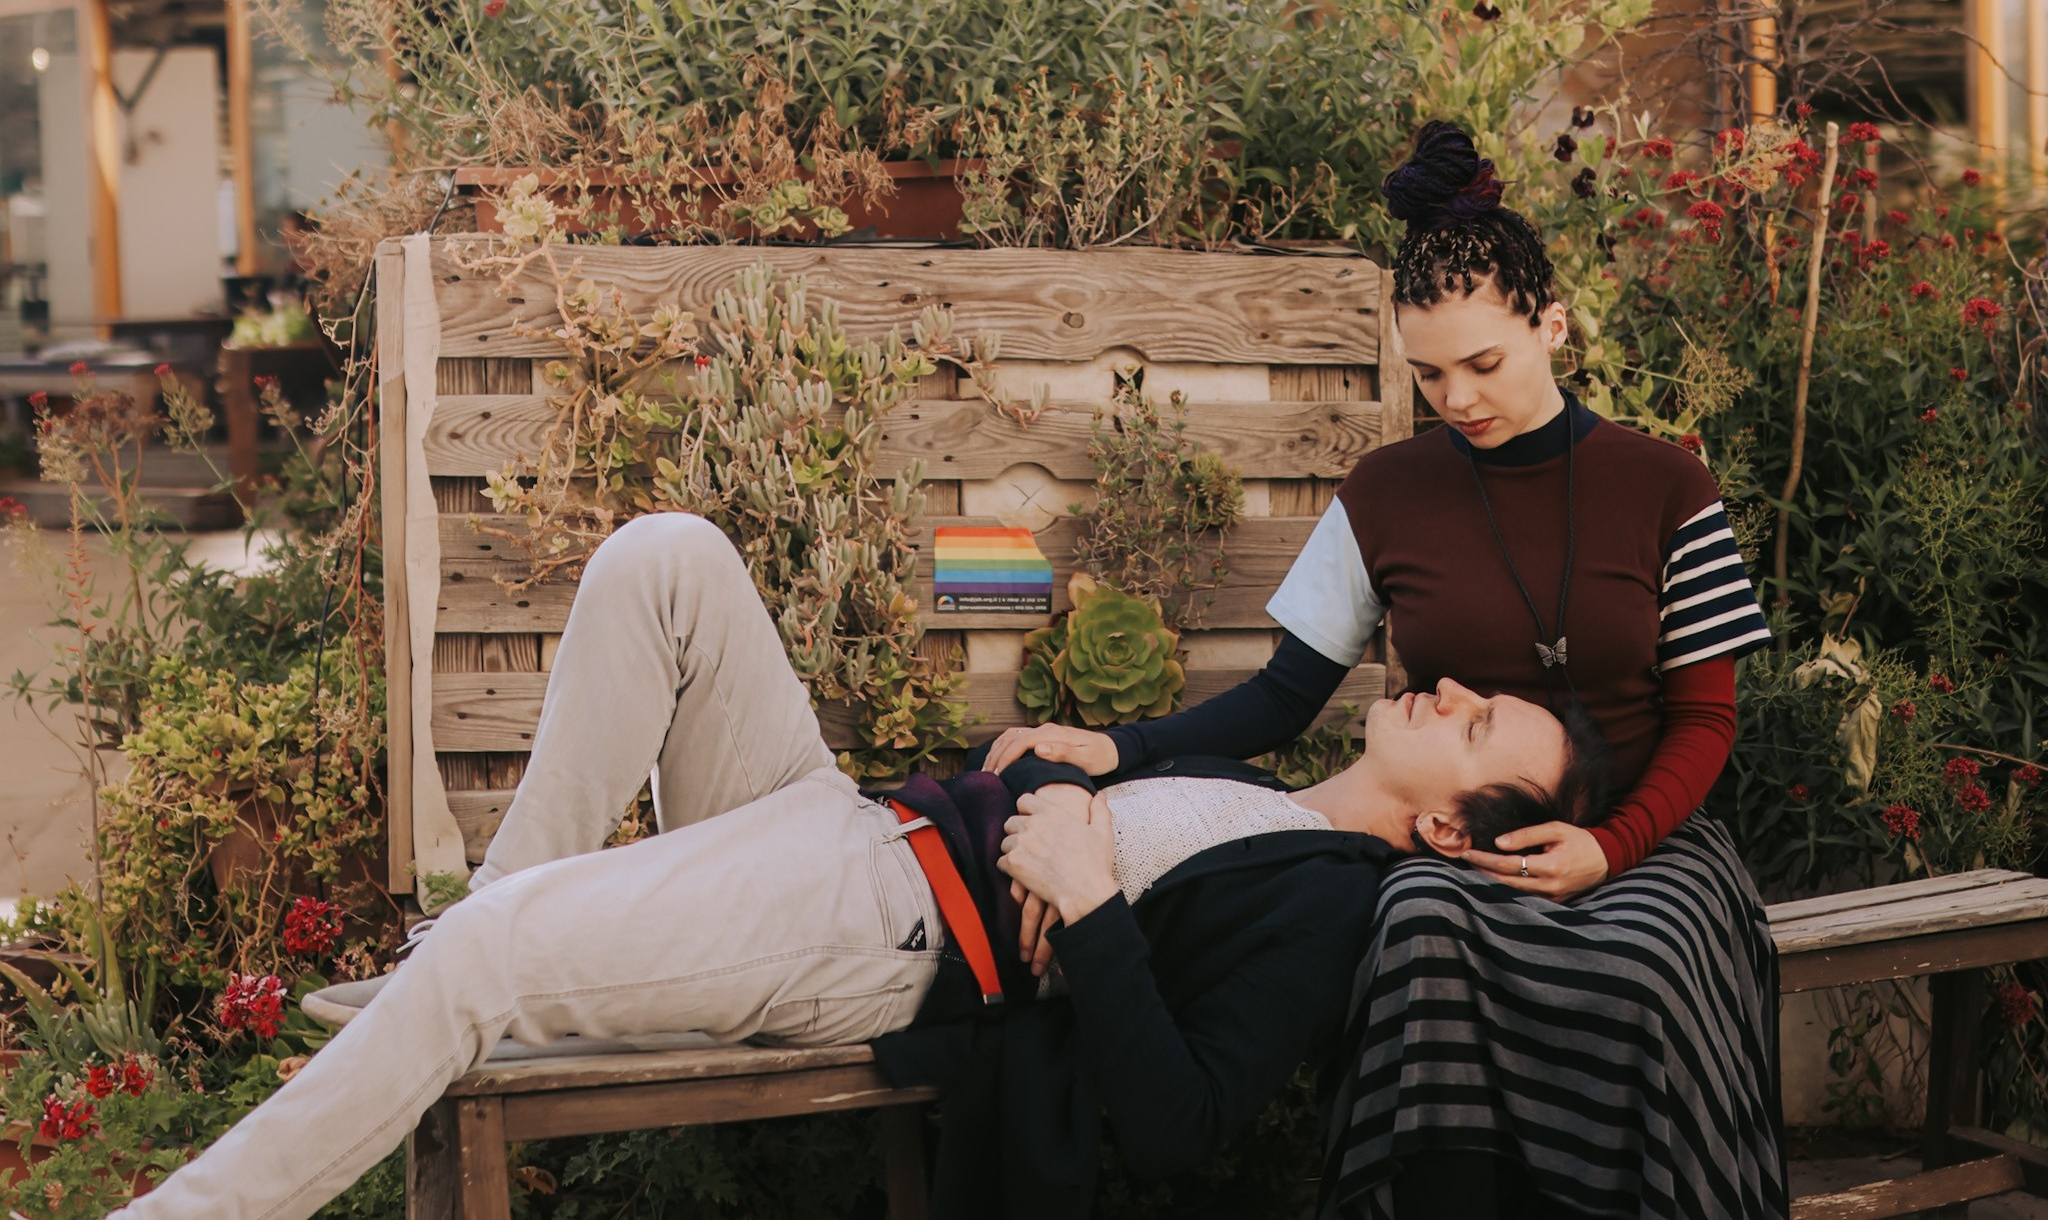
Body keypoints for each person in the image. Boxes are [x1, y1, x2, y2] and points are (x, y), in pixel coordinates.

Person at [108, 510, 1609, 1220]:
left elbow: (1181, 1120)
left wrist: (1085, 896)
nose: (1449, 690)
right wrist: (1082, 762)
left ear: (1443, 828)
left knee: (492, 965)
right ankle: (474, 941)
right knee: (665, 559)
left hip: (879, 921)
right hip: (838, 819)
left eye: (1479, 732)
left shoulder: (1335, 903)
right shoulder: (1257, 790)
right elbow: (1077, 793)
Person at [984, 121, 1787, 1219]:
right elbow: (1283, 696)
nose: (1456, 399)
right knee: (1410, 926)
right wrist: (1116, 747)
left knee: (1640, 963)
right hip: (1457, 836)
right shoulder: (1386, 490)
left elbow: (1704, 718)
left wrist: (1610, 846)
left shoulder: (1666, 488)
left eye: (1484, 364)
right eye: (1428, 374)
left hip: (1641, 828)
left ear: (1549, 325)